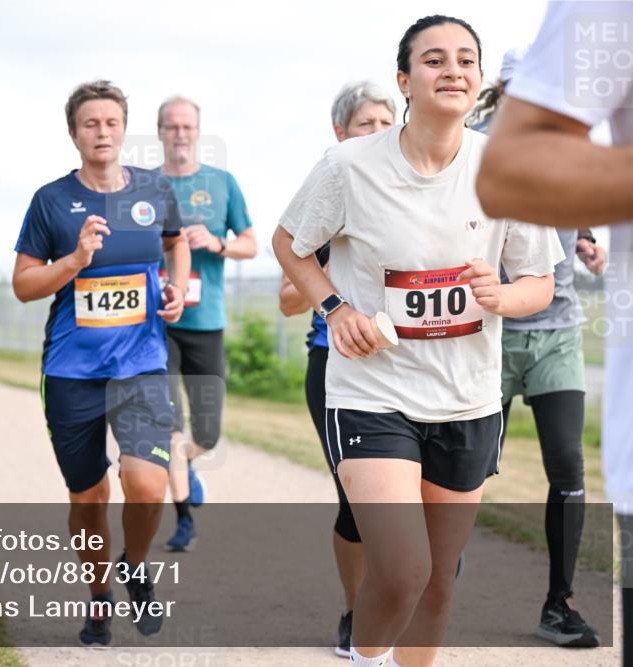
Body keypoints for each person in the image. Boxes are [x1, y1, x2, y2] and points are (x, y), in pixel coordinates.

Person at [273, 15, 564, 667]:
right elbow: (289, 245)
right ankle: (367, 656)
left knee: (438, 582)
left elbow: (538, 282)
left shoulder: (504, 169)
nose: (452, 70)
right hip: (372, 392)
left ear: (480, 78)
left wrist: (502, 294)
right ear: (404, 80)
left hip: (466, 399)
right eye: (434, 60)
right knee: (403, 568)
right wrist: (335, 307)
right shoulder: (348, 166)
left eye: (466, 59)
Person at [475, 1, 633, 660]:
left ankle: (559, 602)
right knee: (468, 471)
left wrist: (593, 242)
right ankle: (433, 585)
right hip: (489, 331)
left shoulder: (568, 140)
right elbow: (513, 182)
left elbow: (576, 199)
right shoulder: (478, 142)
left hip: (559, 329)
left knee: (568, 464)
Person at [13, 80, 188, 647]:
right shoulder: (50, 201)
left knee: (146, 483)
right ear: (74, 134)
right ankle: (97, 601)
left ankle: (135, 565)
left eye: (111, 122)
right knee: (88, 499)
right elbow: (23, 285)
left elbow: (176, 240)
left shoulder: (155, 189)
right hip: (71, 372)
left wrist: (178, 288)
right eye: (90, 123)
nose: (102, 132)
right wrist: (75, 259)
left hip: (140, 362)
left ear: (123, 128)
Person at [278, 80, 395, 658]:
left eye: (386, 121)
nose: (378, 131)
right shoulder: (326, 196)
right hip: (336, 365)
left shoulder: (410, 192)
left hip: (409, 364)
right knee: (358, 502)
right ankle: (357, 611)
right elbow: (285, 298)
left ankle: (396, 601)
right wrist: (327, 292)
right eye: (366, 123)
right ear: (340, 134)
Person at [154, 95, 257, 553]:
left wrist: (217, 243)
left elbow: (251, 244)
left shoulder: (221, 183)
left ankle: (189, 465)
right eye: (171, 126)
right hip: (156, 322)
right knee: (170, 426)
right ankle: (184, 521)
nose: (180, 133)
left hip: (206, 320)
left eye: (187, 126)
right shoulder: (144, 184)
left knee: (206, 434)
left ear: (198, 132)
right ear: (159, 132)